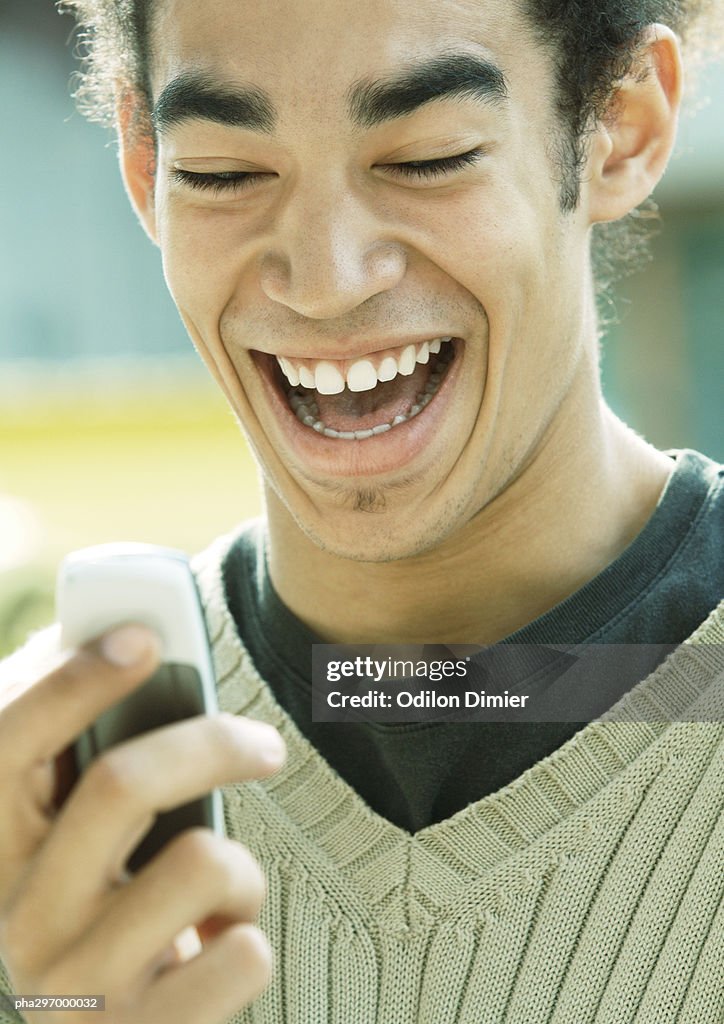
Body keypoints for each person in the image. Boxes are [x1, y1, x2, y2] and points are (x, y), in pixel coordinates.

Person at [1, 1, 722, 1022]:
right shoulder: (43, 812)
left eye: (427, 157)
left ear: (621, 126)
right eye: (223, 172)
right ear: (141, 168)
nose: (326, 282)